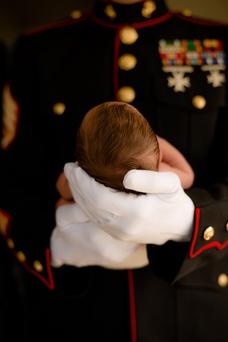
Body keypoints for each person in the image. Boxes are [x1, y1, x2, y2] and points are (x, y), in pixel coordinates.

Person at [0, 0, 228, 341]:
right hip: (74, 318)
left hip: (196, 318)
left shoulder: (221, 42)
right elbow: (11, 184)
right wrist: (53, 243)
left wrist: (196, 223)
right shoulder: (37, 49)